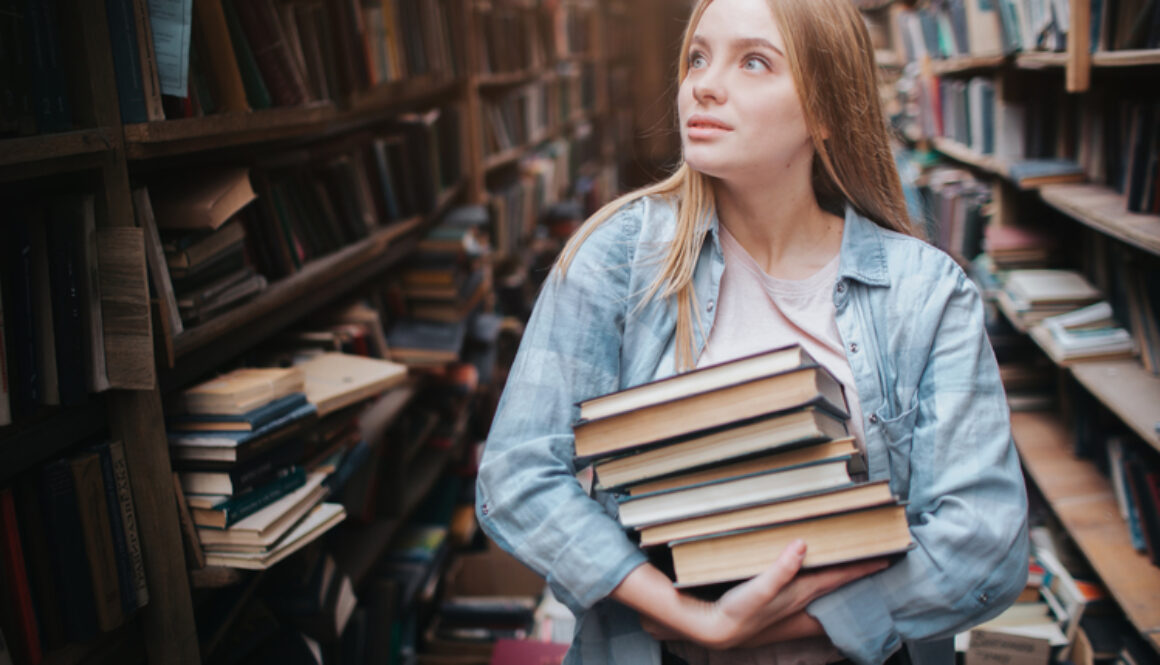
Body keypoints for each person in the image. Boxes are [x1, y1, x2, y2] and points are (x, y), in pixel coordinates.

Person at [474, 0, 1029, 663]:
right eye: (698, 57)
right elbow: (517, 474)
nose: (703, 84)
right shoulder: (616, 258)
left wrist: (775, 624)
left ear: (825, 110)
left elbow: (985, 543)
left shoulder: (926, 292)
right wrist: (691, 617)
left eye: (755, 62)